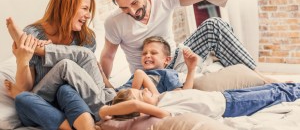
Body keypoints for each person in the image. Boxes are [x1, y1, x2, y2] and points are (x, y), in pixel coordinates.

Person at [100, 0, 272, 83]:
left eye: (134, 3)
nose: (132, 11)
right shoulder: (114, 22)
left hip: (176, 59)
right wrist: (105, 86)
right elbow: (108, 55)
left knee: (215, 25)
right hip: (149, 75)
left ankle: (260, 77)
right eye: (123, 8)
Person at [5, 0, 108, 130]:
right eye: (85, 8)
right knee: (22, 98)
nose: (89, 15)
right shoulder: (33, 34)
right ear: (67, 5)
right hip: (43, 106)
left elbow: (89, 83)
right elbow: (26, 88)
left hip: (75, 101)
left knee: (65, 89)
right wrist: (22, 60)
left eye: (89, 10)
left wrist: (111, 89)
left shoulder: (86, 39)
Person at [99, 65, 300, 120]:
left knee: (272, 88)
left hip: (225, 95)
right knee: (277, 94)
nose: (144, 90)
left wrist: (134, 93)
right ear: (142, 110)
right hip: (229, 106)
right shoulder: (163, 113)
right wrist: (105, 112)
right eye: (142, 95)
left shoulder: (161, 98)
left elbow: (139, 73)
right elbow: (134, 105)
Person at [117, 36, 199, 93]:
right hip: (114, 95)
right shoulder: (136, 75)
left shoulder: (167, 74)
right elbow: (118, 90)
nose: (147, 55)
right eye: (144, 53)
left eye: (153, 53)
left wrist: (191, 69)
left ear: (167, 60)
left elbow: (182, 95)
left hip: (125, 101)